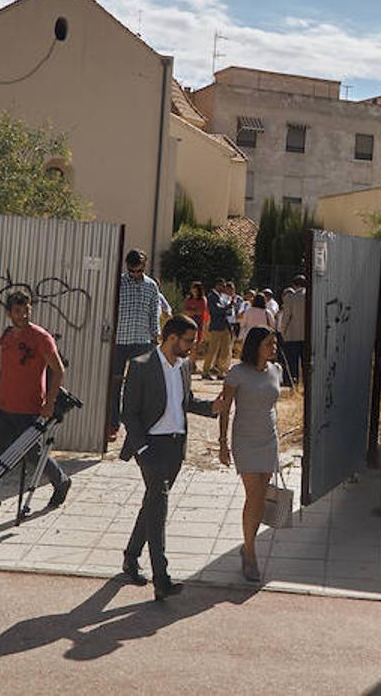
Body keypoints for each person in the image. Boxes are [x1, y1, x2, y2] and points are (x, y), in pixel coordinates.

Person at [120, 314, 220, 600]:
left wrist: (212, 407)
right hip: (150, 447)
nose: (193, 346)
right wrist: (142, 449)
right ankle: (161, 578)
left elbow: (185, 401)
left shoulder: (185, 366)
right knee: (159, 507)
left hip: (176, 447)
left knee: (153, 503)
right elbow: (129, 413)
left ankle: (130, 556)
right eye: (189, 341)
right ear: (172, 338)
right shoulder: (141, 365)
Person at [0, 291, 70, 527]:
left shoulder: (41, 337)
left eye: (27, 310)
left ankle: (61, 481)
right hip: (3, 409)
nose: (23, 315)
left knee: (32, 455)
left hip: (29, 410)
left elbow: (58, 370)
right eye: (18, 311)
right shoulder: (7, 337)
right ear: (9, 313)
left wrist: (49, 403)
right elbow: (6, 372)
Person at [215, 326, 283, 581]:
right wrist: (222, 443)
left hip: (269, 440)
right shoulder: (237, 373)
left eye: (274, 343)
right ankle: (251, 555)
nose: (273, 348)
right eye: (268, 344)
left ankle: (247, 546)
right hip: (245, 440)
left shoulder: (276, 370)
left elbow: (272, 405)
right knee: (253, 496)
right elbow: (225, 409)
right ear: (255, 346)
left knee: (260, 498)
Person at [109, 250, 161, 443]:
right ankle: (113, 424)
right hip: (119, 341)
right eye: (131, 271)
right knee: (115, 384)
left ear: (144, 267)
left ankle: (136, 428)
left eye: (138, 271)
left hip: (142, 341)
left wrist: (155, 336)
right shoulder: (119, 283)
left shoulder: (151, 286)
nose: (134, 274)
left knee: (138, 388)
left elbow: (154, 312)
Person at [202, 280, 235, 381]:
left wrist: (228, 308)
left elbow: (226, 311)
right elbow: (215, 310)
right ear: (217, 286)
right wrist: (228, 307)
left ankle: (222, 371)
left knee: (225, 350)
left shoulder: (222, 297)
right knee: (212, 350)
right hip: (216, 327)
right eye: (222, 286)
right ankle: (206, 371)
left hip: (225, 326)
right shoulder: (212, 296)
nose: (224, 288)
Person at [278, 275, 307, 387]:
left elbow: (286, 317)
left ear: (294, 285)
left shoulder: (291, 297)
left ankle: (292, 383)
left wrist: (283, 331)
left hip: (292, 335)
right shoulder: (311, 297)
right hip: (307, 336)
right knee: (306, 363)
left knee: (292, 362)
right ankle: (306, 384)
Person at [183, 281, 208, 372]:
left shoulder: (202, 300)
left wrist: (191, 312)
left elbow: (201, 312)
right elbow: (185, 311)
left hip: (198, 325)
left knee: (195, 345)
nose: (193, 290)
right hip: (188, 324)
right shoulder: (188, 299)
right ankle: (189, 364)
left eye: (195, 289)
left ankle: (193, 364)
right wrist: (193, 312)